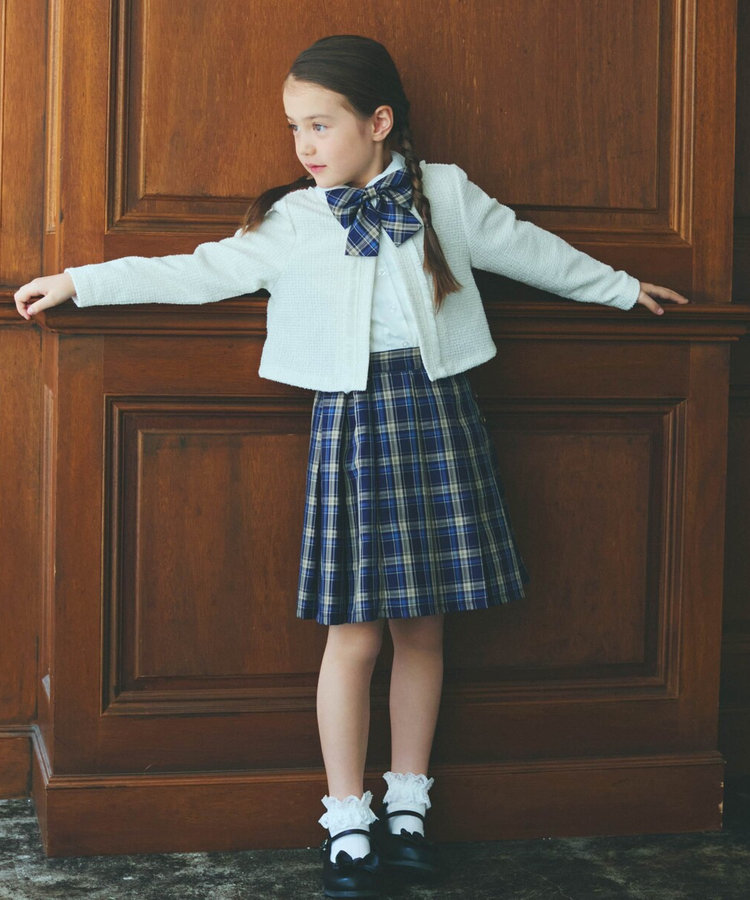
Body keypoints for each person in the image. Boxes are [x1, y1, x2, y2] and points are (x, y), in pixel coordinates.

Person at [14, 34, 688, 900]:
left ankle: (408, 809)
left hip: (440, 417)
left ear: (379, 122)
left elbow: (532, 249)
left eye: (320, 124)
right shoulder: (295, 219)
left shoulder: (444, 194)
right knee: (355, 633)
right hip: (353, 424)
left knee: (424, 629)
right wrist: (81, 281)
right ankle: (347, 819)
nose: (304, 144)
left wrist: (621, 287)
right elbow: (198, 272)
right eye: (295, 127)